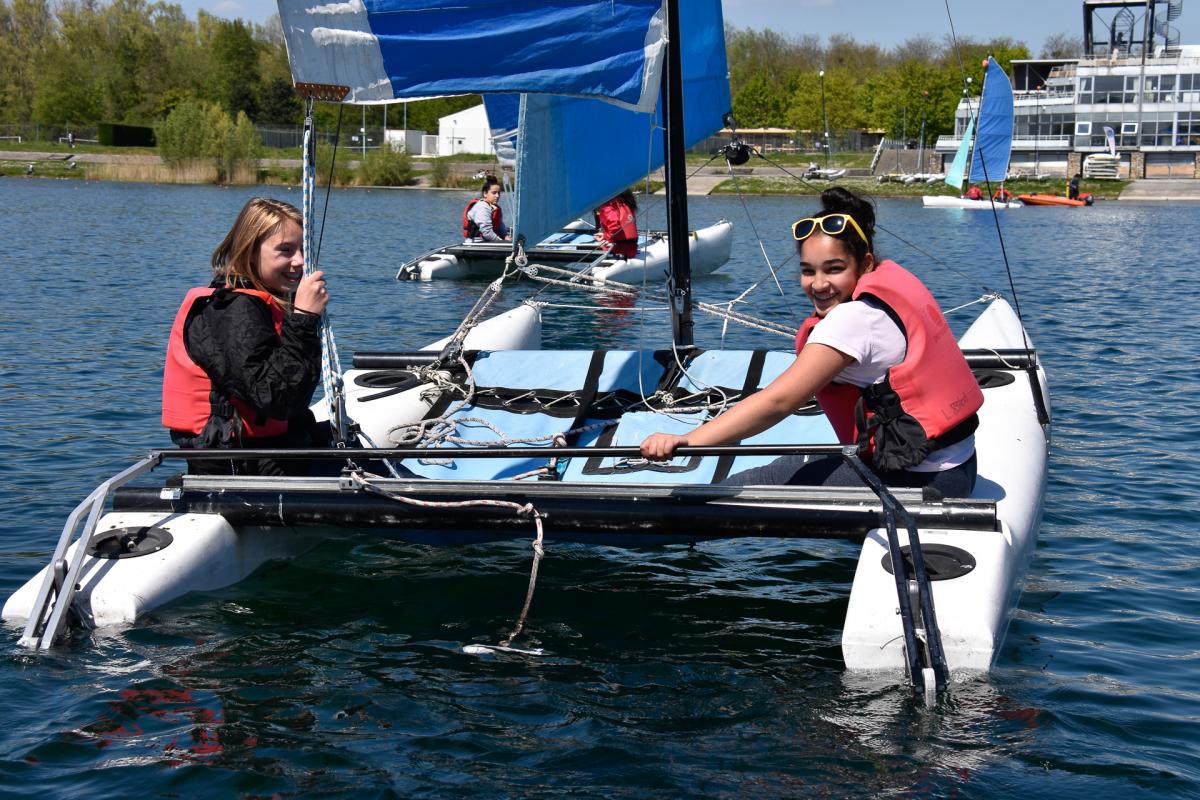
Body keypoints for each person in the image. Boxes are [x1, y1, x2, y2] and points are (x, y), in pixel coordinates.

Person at [640, 187, 983, 498]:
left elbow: (778, 402)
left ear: (864, 264)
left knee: (743, 488)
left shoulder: (853, 321)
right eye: (808, 271)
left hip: (921, 480)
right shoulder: (888, 286)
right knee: (792, 465)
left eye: (833, 269)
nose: (818, 284)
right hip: (957, 463)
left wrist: (688, 440)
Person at [162, 197, 330, 476]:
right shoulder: (232, 311)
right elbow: (277, 397)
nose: (300, 261)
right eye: (286, 250)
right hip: (241, 463)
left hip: (272, 449)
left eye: (303, 249)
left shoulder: (258, 303)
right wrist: (303, 318)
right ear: (250, 252)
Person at [462, 176, 511, 242]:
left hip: (488, 241)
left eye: (499, 193)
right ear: (485, 193)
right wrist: (502, 241)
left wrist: (506, 237)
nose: (497, 196)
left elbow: (500, 227)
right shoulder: (482, 207)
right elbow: (487, 233)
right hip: (476, 242)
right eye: (494, 193)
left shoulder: (495, 207)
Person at [593, 189, 639, 259]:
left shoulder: (607, 207)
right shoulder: (626, 204)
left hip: (618, 250)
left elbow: (614, 226)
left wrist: (607, 240)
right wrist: (604, 235)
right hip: (632, 249)